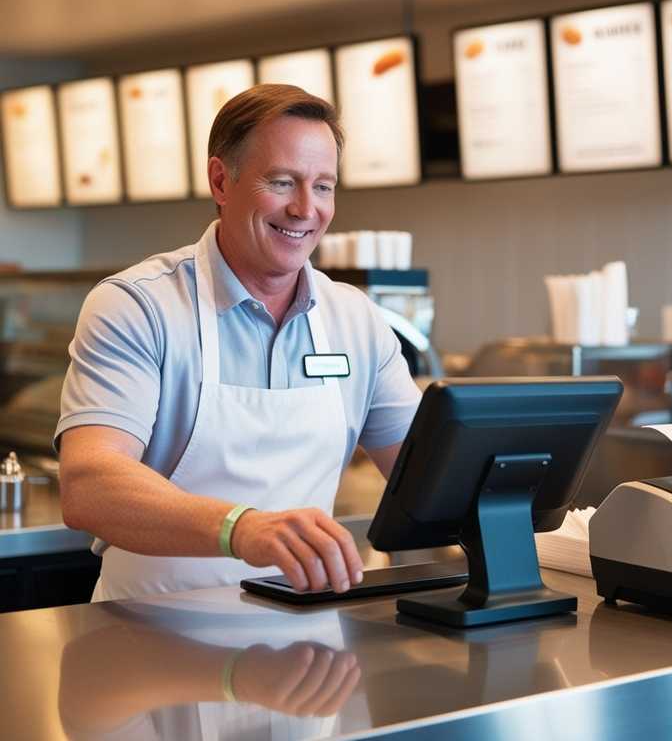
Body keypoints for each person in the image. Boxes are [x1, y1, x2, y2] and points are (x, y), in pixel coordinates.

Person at [56, 84, 421, 602]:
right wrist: (242, 528)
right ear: (221, 181)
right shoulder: (138, 307)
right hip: (149, 643)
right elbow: (90, 485)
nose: (304, 209)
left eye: (323, 186)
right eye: (282, 182)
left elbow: (428, 479)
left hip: (307, 646)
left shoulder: (356, 320)